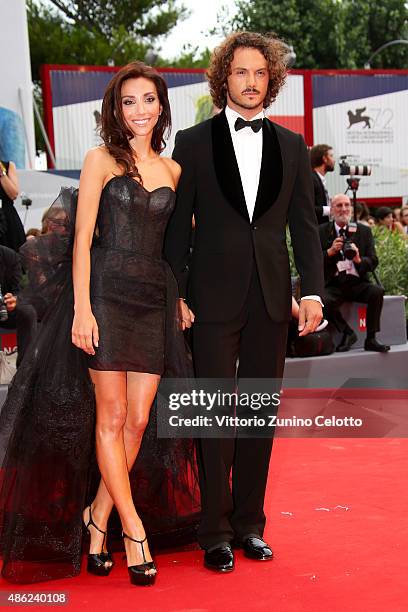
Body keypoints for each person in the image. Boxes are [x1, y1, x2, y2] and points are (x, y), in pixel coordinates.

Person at [0, 61, 199, 585]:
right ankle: (134, 530)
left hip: (152, 301)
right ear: (116, 108)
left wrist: (179, 296)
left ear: (162, 106)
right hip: (107, 297)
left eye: (148, 100)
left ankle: (98, 517)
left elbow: (178, 248)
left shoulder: (173, 170)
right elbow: (82, 239)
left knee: (137, 421)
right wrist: (83, 309)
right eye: (129, 101)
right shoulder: (99, 159)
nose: (140, 110)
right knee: (109, 419)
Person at [164, 31, 324, 573]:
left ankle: (250, 525)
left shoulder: (292, 146)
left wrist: (314, 292)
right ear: (223, 78)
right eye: (240, 72)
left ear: (271, 80)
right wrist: (176, 293)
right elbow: (175, 234)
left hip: (273, 298)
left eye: (260, 73)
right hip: (209, 298)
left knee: (257, 414)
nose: (251, 81)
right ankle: (213, 531)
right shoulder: (191, 142)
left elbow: (304, 228)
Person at [319, 194, 390, 353]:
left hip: (357, 282)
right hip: (334, 283)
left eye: (346, 205)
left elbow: (373, 261)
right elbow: (313, 261)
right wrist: (330, 252)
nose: (343, 209)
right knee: (321, 299)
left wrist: (358, 259)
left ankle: (371, 339)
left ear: (351, 208)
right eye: (339, 205)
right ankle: (347, 332)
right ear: (331, 209)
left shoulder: (363, 231)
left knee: (377, 292)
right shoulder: (321, 232)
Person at [0, 244, 38, 367]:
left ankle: (25, 370)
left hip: (5, 307)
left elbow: (18, 289)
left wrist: (14, 299)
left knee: (27, 311)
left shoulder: (9, 256)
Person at [0, 159, 26, 252]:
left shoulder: (8, 166)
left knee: (13, 254)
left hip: (7, 218)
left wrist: (2, 173)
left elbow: (13, 194)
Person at [310, 144, 335, 224]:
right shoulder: (312, 179)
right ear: (324, 159)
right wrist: (330, 210)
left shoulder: (316, 178)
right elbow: (307, 207)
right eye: (331, 156)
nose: (334, 160)